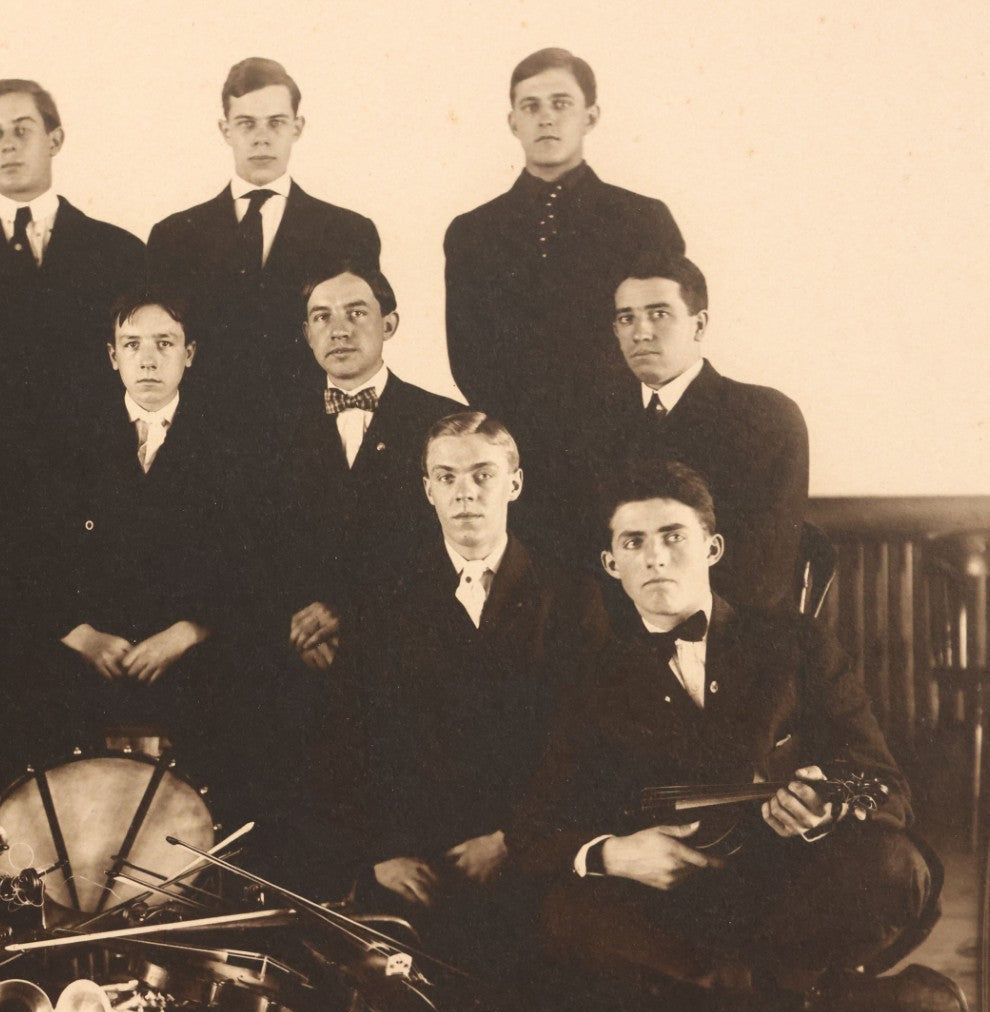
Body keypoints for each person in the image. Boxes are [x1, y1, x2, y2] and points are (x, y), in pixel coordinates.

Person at [508, 460, 963, 1012]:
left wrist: (824, 810)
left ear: (712, 548)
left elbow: (888, 789)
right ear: (611, 563)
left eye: (674, 536)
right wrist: (615, 853)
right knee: (564, 914)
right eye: (634, 541)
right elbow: (530, 829)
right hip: (676, 911)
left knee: (897, 866)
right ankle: (816, 1000)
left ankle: (730, 999)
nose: (655, 557)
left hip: (798, 893)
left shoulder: (795, 643)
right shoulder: (587, 677)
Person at [0, 78, 144, 800]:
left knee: (94, 738)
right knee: (10, 739)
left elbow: (128, 387)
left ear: (55, 138)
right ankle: (14, 899)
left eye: (22, 129)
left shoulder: (117, 253)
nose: (8, 144)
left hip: (93, 519)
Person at [353, 411, 607, 977]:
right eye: (446, 477)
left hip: (527, 853)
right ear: (427, 491)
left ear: (514, 483)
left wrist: (512, 840)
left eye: (482, 475)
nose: (464, 492)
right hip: (417, 861)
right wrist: (379, 855)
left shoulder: (571, 597)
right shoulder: (387, 596)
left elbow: (581, 738)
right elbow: (357, 734)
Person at [247, 261, 464, 897]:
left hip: (408, 657)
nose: (338, 329)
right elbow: (246, 552)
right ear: (306, 335)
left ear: (390, 323)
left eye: (356, 312)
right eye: (321, 317)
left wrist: (352, 616)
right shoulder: (264, 431)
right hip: (294, 661)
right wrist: (290, 622)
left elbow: (458, 550)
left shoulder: (444, 423)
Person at [443, 48, 684, 557]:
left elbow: (663, 341)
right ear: (512, 121)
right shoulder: (473, 233)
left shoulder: (642, 220)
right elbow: (469, 356)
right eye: (530, 106)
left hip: (621, 454)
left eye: (561, 103)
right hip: (517, 463)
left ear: (590, 116)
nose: (545, 117)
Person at [36, 289, 238, 770]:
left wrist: (187, 631)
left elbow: (250, 560)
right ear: (112, 355)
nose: (148, 360)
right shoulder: (69, 440)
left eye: (164, 344)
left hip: (193, 650)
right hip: (92, 648)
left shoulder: (230, 444)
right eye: (132, 345)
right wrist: (81, 634)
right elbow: (37, 552)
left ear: (189, 354)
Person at [147, 57, 382, 438]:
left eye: (276, 122)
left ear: (297, 127)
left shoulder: (348, 231)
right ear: (225, 130)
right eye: (246, 124)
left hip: (313, 434)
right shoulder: (174, 236)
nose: (261, 138)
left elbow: (360, 344)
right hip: (202, 435)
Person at [600, 253, 809, 611]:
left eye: (659, 314)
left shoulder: (765, 416)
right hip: (615, 642)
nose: (641, 332)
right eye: (626, 318)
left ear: (699, 325)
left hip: (729, 636)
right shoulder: (597, 422)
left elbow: (761, 571)